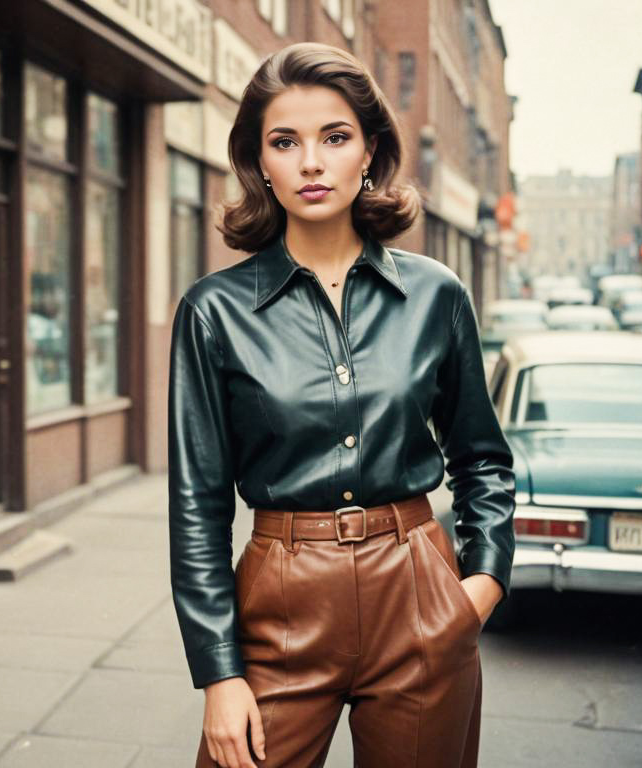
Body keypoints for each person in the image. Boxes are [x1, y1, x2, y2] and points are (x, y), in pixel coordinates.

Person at [168, 42, 516, 768]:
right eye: (284, 142)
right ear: (260, 163)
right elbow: (196, 505)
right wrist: (219, 672)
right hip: (280, 601)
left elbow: (481, 457)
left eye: (334, 137)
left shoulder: (436, 297)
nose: (311, 162)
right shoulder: (214, 312)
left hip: (420, 593)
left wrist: (479, 585)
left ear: (369, 152)